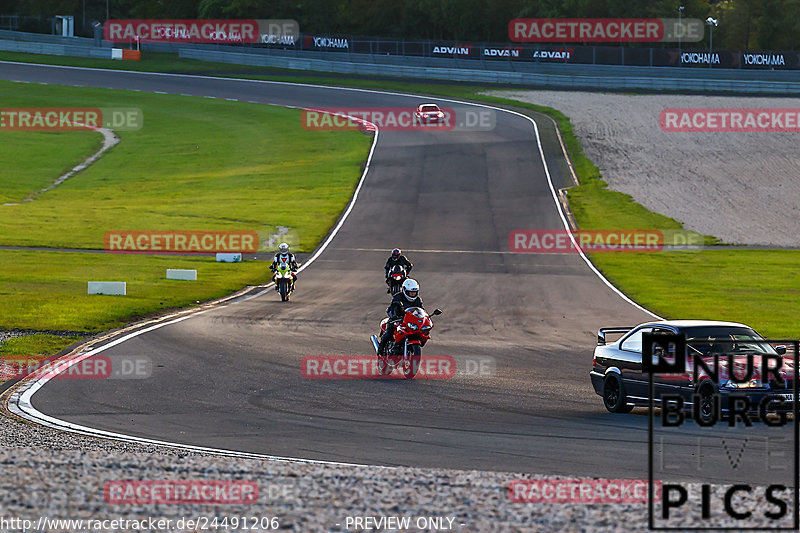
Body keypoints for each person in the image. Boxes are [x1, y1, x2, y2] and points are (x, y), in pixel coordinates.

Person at [377, 278, 423, 355]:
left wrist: (424, 317)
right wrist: (394, 316)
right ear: (405, 290)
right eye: (411, 292)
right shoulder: (398, 297)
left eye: (414, 292)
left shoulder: (418, 300)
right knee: (389, 332)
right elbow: (392, 307)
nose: (412, 294)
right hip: (397, 318)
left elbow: (421, 310)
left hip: (409, 320)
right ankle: (380, 349)